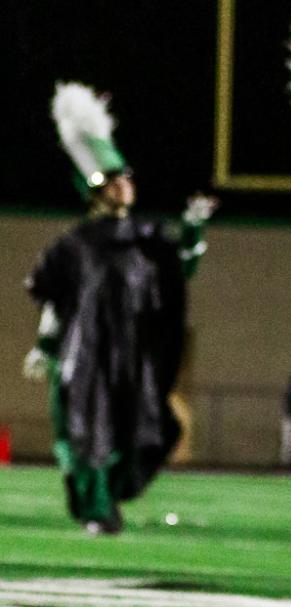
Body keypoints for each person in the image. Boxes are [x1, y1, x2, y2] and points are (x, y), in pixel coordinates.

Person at [23, 82, 215, 535]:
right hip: (86, 352)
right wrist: (45, 345)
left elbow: (178, 271)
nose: (123, 186)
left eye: (125, 177)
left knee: (141, 432)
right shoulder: (74, 244)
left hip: (132, 355)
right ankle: (98, 509)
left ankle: (106, 500)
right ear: (95, 191)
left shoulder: (147, 239)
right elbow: (55, 297)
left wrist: (192, 231)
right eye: (113, 180)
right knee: (88, 434)